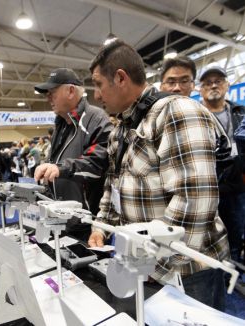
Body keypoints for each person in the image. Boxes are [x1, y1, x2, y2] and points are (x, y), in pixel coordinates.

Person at [87, 39, 230, 310]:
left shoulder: (177, 112)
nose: (96, 94)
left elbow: (194, 201)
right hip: (148, 265)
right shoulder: (121, 128)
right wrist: (100, 225)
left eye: (98, 84)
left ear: (120, 78)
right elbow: (113, 185)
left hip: (187, 270)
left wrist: (153, 263)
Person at [34, 68, 112, 241]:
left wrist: (60, 168)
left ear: (70, 91)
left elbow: (97, 162)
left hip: (86, 222)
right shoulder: (61, 124)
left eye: (52, 92)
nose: (48, 98)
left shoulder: (96, 118)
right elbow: (54, 160)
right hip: (60, 217)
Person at [199, 66, 245, 263]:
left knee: (236, 232)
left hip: (236, 186)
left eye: (218, 81)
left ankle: (232, 275)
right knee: (207, 238)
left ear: (227, 85)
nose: (213, 85)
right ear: (200, 89)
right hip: (207, 187)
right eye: (208, 82)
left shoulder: (239, 112)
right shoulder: (195, 113)